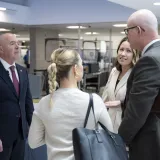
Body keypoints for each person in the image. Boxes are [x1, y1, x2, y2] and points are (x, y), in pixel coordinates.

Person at [28, 48, 113, 160]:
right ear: (75, 69)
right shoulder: (94, 101)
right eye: (81, 64)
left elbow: (33, 142)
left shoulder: (45, 102)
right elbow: (110, 135)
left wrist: (53, 136)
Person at [118, 9, 160, 160]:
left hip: (149, 142)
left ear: (139, 30)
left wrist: (119, 141)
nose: (127, 35)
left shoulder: (149, 61)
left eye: (128, 30)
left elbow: (137, 112)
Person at [0, 33, 34, 160]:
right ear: (1, 49)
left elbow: (27, 102)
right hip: (2, 137)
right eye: (12, 43)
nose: (17, 46)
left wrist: (33, 127)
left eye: (18, 43)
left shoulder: (22, 71)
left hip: (20, 134)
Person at [102, 37, 138, 133]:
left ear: (135, 55)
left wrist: (121, 104)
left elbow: (137, 105)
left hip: (125, 125)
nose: (123, 54)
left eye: (128, 51)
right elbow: (105, 96)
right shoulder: (114, 71)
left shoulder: (136, 75)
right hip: (108, 123)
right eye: (121, 49)